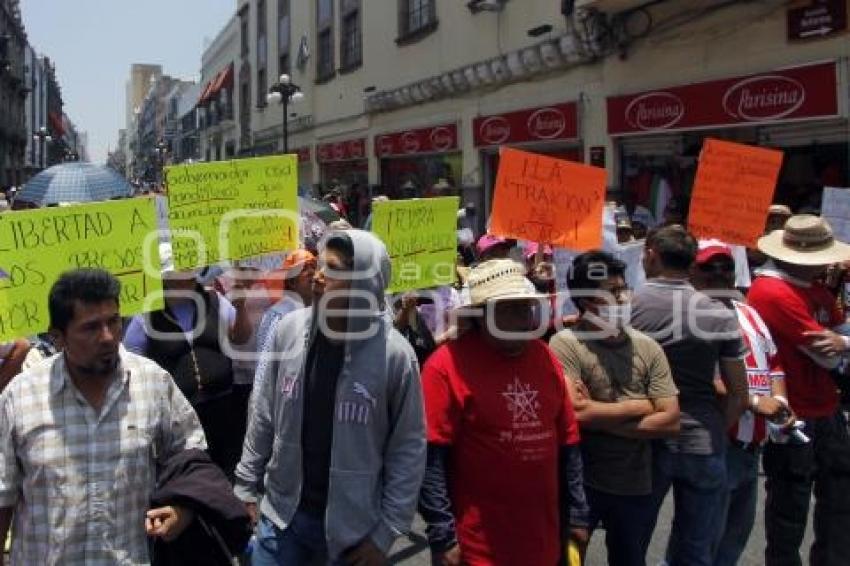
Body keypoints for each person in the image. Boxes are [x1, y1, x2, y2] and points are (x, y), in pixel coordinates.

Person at [235, 229, 426, 565]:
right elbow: (263, 411)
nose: (319, 277)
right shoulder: (288, 331)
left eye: (333, 270)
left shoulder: (395, 356)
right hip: (281, 521)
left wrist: (385, 535)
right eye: (320, 266)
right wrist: (246, 486)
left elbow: (408, 449)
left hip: (352, 537)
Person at [0, 269, 206, 564]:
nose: (108, 337)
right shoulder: (21, 397)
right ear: (58, 338)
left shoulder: (153, 383)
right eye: (91, 327)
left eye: (113, 322)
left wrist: (182, 509)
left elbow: (191, 453)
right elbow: (3, 494)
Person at [419, 259, 589, 566]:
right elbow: (431, 459)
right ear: (482, 315)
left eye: (527, 307)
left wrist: (577, 514)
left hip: (542, 541)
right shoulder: (444, 368)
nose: (525, 318)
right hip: (476, 548)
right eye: (511, 308)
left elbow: (568, 443)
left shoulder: (545, 357)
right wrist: (443, 535)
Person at [549, 251, 679, 565]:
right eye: (612, 292)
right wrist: (641, 405)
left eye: (622, 290)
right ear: (586, 301)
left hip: (635, 484)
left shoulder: (648, 347)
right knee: (569, 558)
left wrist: (597, 413)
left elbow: (671, 421)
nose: (622, 299)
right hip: (582, 483)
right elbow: (575, 415)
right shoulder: (566, 344)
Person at [630, 225, 749, 566]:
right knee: (696, 550)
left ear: (651, 255)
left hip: (647, 438)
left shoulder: (628, 309)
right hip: (704, 441)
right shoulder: (720, 314)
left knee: (632, 541)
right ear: (692, 262)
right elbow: (739, 395)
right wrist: (713, 428)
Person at [747, 215, 850, 566]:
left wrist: (843, 343)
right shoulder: (773, 291)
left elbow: (839, 334)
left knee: (839, 502)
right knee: (790, 507)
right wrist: (841, 343)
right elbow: (826, 357)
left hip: (827, 407)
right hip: (794, 412)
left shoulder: (815, 288)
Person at [690, 240, 793, 566]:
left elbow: (774, 361)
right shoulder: (691, 316)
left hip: (753, 448)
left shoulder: (748, 312)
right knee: (701, 546)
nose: (719, 274)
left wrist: (779, 401)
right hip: (721, 442)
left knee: (731, 546)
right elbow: (696, 376)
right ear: (693, 273)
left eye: (726, 267)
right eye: (709, 268)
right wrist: (752, 401)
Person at [124, 242, 253, 478]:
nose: (186, 281)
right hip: (178, 415)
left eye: (188, 276)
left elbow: (241, 337)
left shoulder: (214, 300)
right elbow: (132, 362)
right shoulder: (146, 314)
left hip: (224, 406)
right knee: (191, 474)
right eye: (178, 277)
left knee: (228, 469)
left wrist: (241, 306)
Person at [255, 249, 317, 353]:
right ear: (292, 282)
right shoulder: (276, 314)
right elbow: (264, 361)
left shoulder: (318, 310)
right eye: (303, 269)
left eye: (313, 267)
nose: (311, 272)